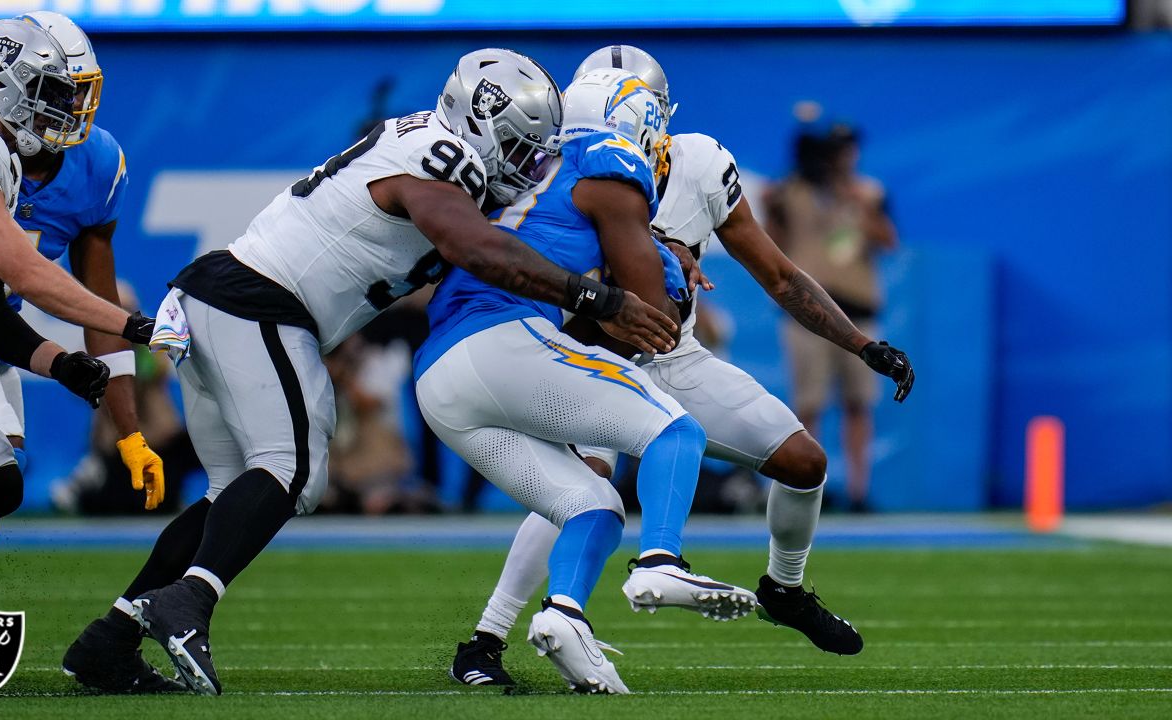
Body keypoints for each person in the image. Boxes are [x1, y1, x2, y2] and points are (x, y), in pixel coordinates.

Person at [64, 48, 680, 696]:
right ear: (481, 122)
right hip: (260, 301)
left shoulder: (431, 151)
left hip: (226, 297)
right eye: (521, 150)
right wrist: (594, 296)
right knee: (294, 467)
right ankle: (187, 601)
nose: (529, 169)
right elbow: (476, 247)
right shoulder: (446, 158)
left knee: (232, 498)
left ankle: (110, 639)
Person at [449, 45, 914, 688]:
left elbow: (778, 274)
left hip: (675, 355)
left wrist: (860, 343)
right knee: (584, 486)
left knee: (805, 463)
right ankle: (490, 636)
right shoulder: (558, 165)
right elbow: (538, 271)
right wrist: (657, 257)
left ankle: (785, 589)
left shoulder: (697, 161)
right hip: (589, 358)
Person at [419, 68, 758, 694]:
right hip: (505, 340)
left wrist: (650, 247)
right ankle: (660, 561)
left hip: (440, 378)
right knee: (675, 431)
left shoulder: (523, 168)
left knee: (591, 502)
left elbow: (553, 231)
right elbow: (648, 314)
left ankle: (563, 615)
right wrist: (665, 269)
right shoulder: (611, 157)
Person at [0, 13, 170, 683]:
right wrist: (134, 323)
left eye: (75, 91)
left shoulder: (62, 163)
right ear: (3, 87)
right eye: (52, 90)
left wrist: (83, 380)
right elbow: (25, 270)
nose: (71, 107)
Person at [768, 112, 900, 513]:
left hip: (858, 314)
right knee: (809, 405)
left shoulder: (868, 193)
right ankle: (812, 489)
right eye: (836, 151)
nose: (844, 157)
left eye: (848, 149)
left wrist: (859, 208)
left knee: (859, 404)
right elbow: (773, 242)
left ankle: (859, 491)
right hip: (809, 315)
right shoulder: (790, 193)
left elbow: (889, 240)